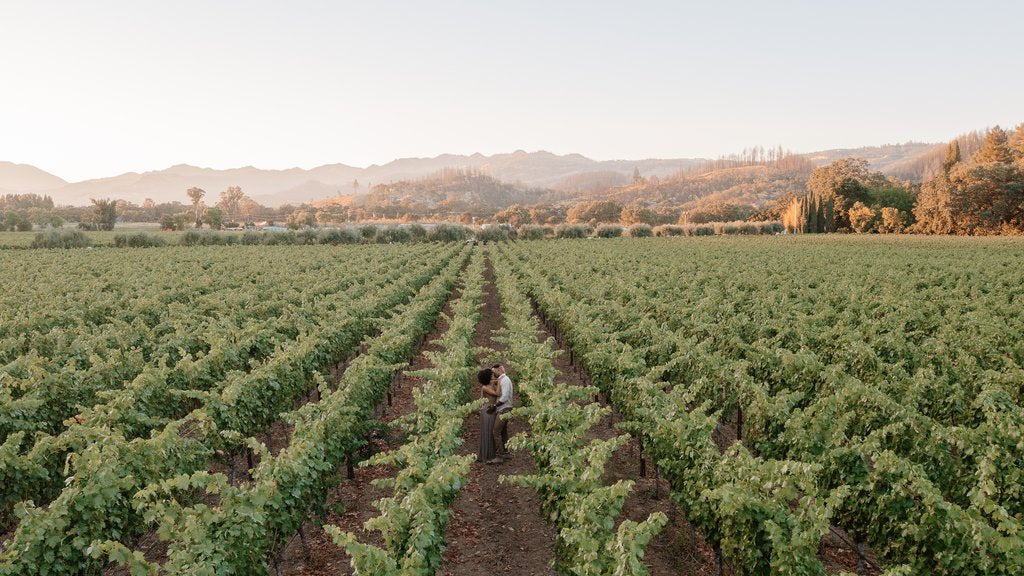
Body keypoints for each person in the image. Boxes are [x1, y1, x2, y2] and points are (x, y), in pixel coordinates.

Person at [489, 363, 514, 463]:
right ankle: (506, 453)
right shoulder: (502, 380)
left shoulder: (505, 380)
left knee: (495, 432)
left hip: (504, 409)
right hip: (504, 409)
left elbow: (504, 397)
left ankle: (499, 457)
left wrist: (495, 406)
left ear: (499, 369)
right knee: (503, 432)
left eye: (493, 371)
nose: (493, 373)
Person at [476, 368, 500, 463]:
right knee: (488, 432)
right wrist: (499, 382)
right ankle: (489, 457)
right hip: (487, 411)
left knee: (491, 432)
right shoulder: (485, 387)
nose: (493, 376)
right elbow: (497, 393)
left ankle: (490, 455)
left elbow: (497, 380)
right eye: (491, 375)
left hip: (492, 410)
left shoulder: (490, 384)